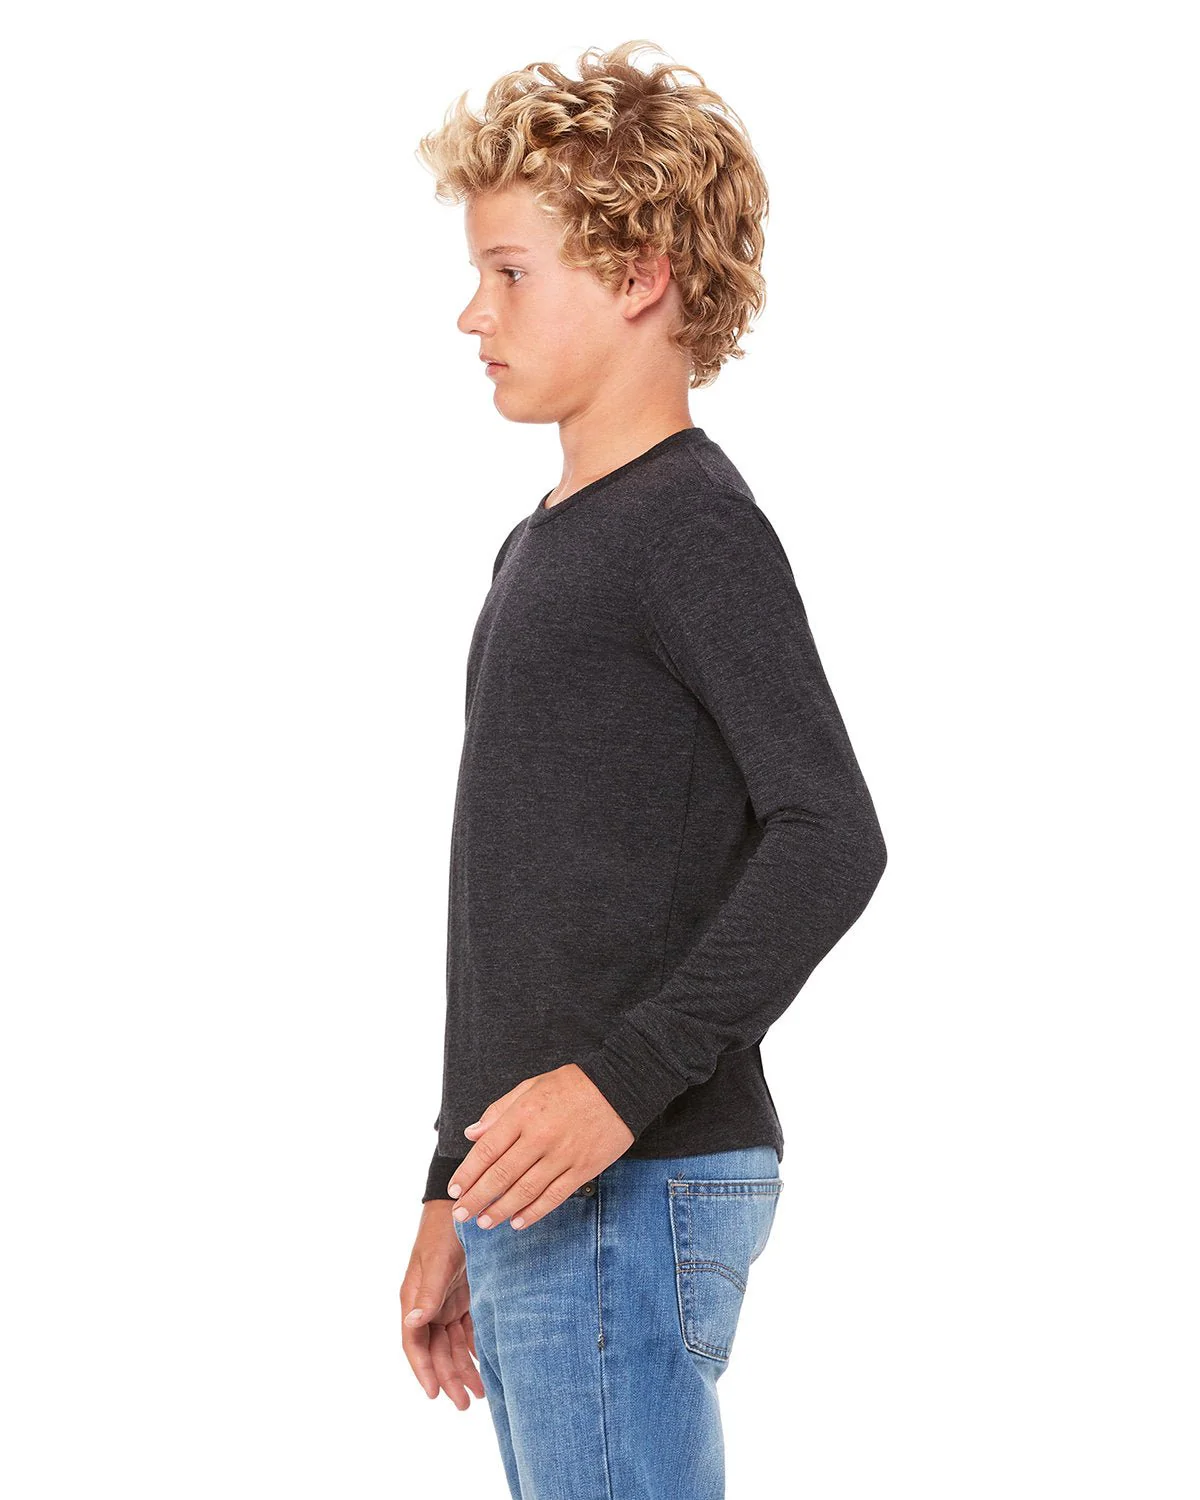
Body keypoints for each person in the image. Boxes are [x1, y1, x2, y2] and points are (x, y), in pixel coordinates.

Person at [400, 39, 887, 1499]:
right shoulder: (546, 545)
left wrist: (618, 1088)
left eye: (509, 273)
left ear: (640, 276)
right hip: (544, 1188)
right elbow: (507, 902)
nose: (472, 313)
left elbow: (829, 832)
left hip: (629, 1176)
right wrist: (450, 1180)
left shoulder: (689, 527)